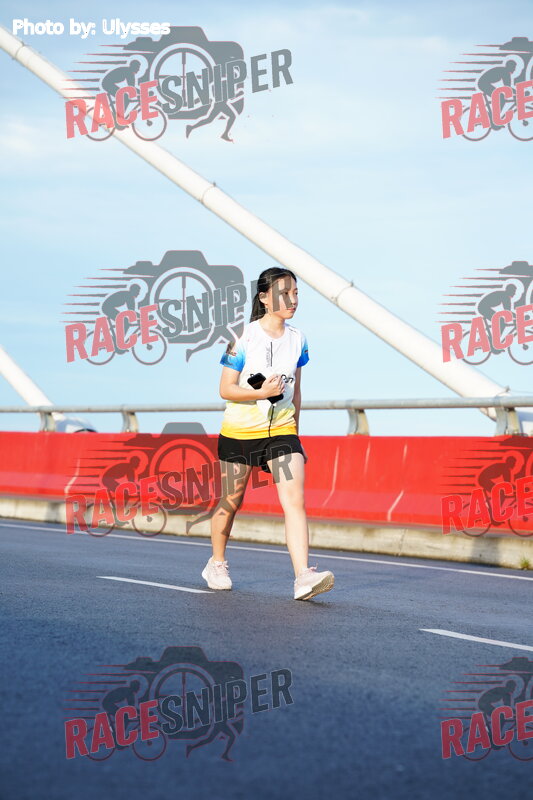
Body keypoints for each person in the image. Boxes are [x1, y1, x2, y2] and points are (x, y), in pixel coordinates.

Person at [201, 267, 335, 600]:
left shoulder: (299, 339)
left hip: (283, 432)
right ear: (263, 298)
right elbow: (225, 389)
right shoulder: (243, 337)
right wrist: (261, 393)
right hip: (240, 431)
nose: (292, 300)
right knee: (231, 501)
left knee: (295, 500)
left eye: (296, 293)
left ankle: (303, 576)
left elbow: (297, 392)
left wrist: (296, 436)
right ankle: (216, 563)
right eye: (284, 293)